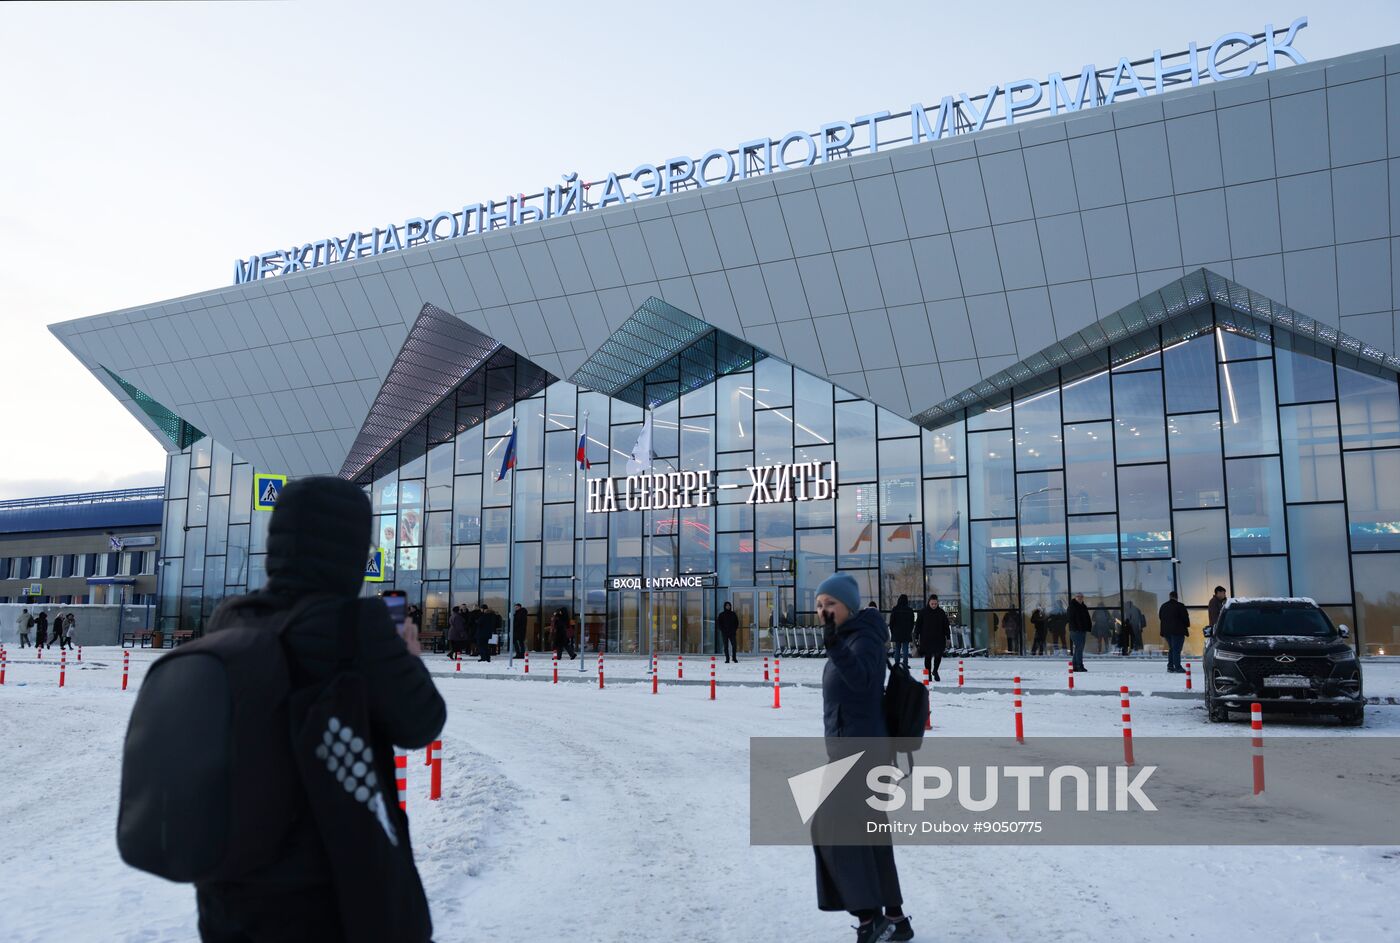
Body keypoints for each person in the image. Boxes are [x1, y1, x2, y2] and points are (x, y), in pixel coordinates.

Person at [194, 476, 445, 942]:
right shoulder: (358, 626)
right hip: (333, 893)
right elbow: (421, 721)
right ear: (351, 544)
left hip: (231, 894)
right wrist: (406, 656)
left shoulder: (230, 619)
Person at [813, 573, 910, 943]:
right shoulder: (851, 636)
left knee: (833, 831)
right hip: (851, 749)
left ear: (848, 607)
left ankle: (871, 920)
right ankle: (896, 919)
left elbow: (864, 681)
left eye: (830, 604)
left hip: (861, 752)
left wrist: (834, 645)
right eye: (819, 604)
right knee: (869, 835)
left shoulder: (864, 638)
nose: (822, 611)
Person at [914, 593, 950, 682]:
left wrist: (948, 637)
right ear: (929, 603)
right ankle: (929, 674)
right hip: (926, 638)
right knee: (928, 657)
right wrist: (916, 636)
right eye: (932, 604)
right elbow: (918, 625)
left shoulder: (941, 612)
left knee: (938, 655)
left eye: (935, 604)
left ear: (937, 603)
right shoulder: (923, 612)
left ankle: (935, 671)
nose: (934, 605)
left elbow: (946, 625)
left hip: (939, 638)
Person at [1159, 591, 1190, 673]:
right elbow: (1185, 618)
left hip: (1166, 631)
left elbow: (1160, 617)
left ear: (1170, 597)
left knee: (1172, 649)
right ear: (1177, 597)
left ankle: (1170, 666)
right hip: (1178, 631)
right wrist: (1187, 625)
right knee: (1176, 650)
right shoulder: (1180, 606)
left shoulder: (1163, 606)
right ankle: (1178, 667)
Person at [888, 594, 914, 668]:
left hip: (896, 632)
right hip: (906, 632)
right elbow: (912, 622)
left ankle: (896, 664)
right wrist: (910, 630)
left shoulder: (895, 609)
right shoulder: (910, 610)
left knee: (897, 648)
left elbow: (891, 622)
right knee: (905, 648)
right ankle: (905, 664)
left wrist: (892, 631)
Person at [1067, 593, 1091, 672]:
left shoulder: (1083, 607)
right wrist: (1076, 627)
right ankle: (1079, 666)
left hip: (1082, 630)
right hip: (1075, 631)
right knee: (1079, 648)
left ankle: (1074, 665)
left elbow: (1087, 617)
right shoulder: (1072, 606)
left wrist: (1088, 626)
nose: (1080, 598)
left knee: (1078, 648)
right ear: (1075, 598)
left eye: (1081, 597)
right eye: (1078, 597)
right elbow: (1070, 619)